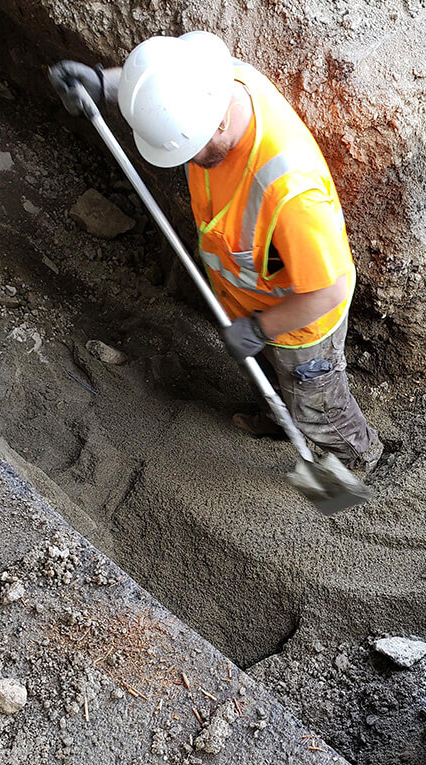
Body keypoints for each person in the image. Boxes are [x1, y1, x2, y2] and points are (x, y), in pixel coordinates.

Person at [50, 31, 382, 472]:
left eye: (193, 149)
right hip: (250, 297)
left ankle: (360, 459)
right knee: (270, 373)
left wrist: (260, 328)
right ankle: (277, 416)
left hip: (301, 324)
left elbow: (329, 292)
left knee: (316, 403)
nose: (189, 158)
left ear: (219, 122)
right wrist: (104, 84)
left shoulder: (291, 192)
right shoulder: (215, 82)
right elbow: (168, 82)